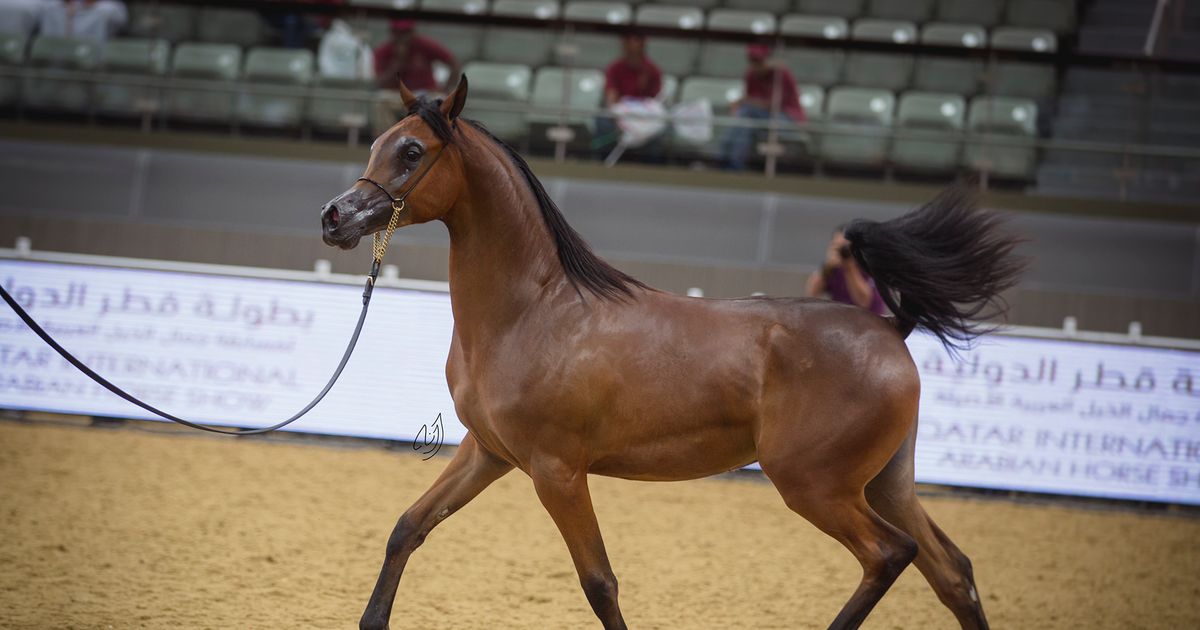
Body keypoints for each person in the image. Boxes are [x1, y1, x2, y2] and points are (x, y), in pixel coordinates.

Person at [720, 43, 806, 171]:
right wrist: (741, 103)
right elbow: (749, 101)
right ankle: (733, 166)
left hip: (787, 121)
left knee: (746, 111)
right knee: (746, 123)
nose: (755, 65)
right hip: (761, 121)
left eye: (759, 61)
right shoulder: (751, 75)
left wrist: (742, 101)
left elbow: (773, 106)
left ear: (768, 59)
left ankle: (723, 155)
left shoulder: (781, 74)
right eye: (752, 61)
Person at [372, 19, 459, 134]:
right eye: (399, 32)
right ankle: (388, 140)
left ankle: (442, 140)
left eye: (406, 32)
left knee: (442, 100)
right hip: (399, 96)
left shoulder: (423, 44)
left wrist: (445, 88)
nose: (403, 36)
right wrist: (398, 62)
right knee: (381, 100)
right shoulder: (384, 51)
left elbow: (454, 64)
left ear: (413, 31)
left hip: (426, 93)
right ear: (392, 32)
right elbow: (380, 83)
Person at [594, 31, 664, 160]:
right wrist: (619, 114)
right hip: (620, 113)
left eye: (637, 41)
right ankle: (601, 163)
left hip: (644, 116)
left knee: (659, 131)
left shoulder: (652, 70)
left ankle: (650, 169)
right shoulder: (615, 68)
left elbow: (655, 101)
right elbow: (612, 97)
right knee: (602, 122)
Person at [806, 227, 889, 316]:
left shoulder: (869, 268)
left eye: (846, 248)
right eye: (838, 247)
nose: (842, 252)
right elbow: (811, 292)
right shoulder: (833, 269)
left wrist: (850, 268)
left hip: (870, 322)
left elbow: (863, 302)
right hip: (843, 322)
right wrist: (827, 266)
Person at [37, 0, 127, 43]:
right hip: (51, 64)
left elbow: (119, 16)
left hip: (90, 67)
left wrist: (89, 4)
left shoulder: (107, 9)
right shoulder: (49, 6)